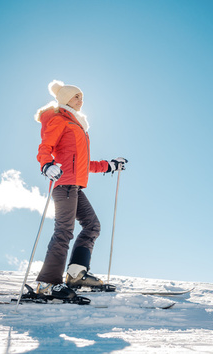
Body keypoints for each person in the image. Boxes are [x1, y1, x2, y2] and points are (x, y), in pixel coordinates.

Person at [33, 80, 127, 299]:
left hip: (74, 186)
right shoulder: (59, 119)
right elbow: (45, 146)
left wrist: (109, 165)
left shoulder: (78, 126)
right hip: (63, 183)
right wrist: (46, 165)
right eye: (76, 96)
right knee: (64, 231)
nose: (81, 100)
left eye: (82, 96)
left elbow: (83, 164)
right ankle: (47, 284)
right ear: (66, 99)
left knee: (92, 225)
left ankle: (76, 274)